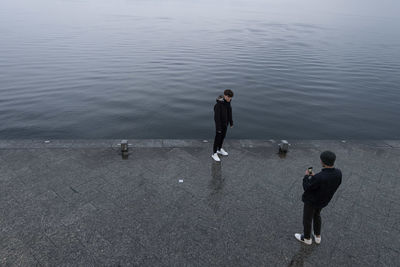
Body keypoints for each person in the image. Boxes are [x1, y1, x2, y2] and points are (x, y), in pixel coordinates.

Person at [295, 151, 342, 245]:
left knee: (307, 219)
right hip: (324, 201)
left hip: (312, 201)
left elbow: (307, 188)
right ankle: (317, 236)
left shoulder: (319, 177)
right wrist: (315, 177)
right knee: (317, 215)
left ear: (323, 162)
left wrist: (306, 177)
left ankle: (307, 238)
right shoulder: (338, 173)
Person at [212, 89, 234, 162]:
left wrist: (231, 122)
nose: (230, 99)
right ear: (225, 96)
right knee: (217, 138)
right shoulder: (218, 105)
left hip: (225, 124)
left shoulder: (228, 103)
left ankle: (219, 149)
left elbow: (229, 113)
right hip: (219, 125)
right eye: (229, 97)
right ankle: (214, 153)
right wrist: (218, 128)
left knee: (223, 137)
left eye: (231, 98)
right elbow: (216, 118)